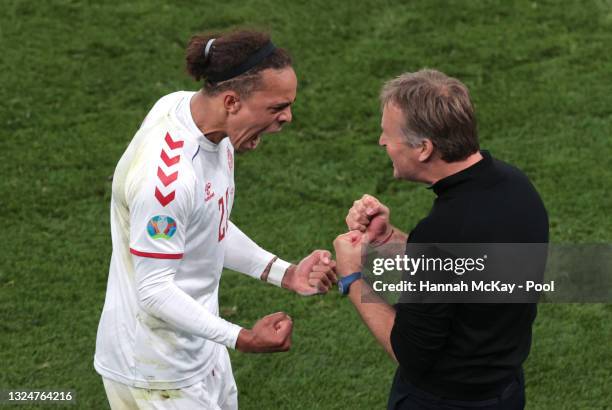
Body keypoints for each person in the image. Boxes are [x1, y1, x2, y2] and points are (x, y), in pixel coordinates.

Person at [94, 30, 336, 409]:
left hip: (199, 347)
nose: (287, 118)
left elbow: (207, 223)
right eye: (276, 107)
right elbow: (154, 290)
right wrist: (243, 337)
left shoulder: (197, 118)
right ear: (232, 101)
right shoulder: (166, 181)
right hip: (155, 373)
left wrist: (283, 273)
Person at [333, 69, 548, 409]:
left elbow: (409, 352)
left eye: (388, 134)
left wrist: (353, 277)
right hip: (506, 392)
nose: (382, 142)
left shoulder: (445, 229)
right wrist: (389, 239)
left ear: (423, 148)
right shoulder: (517, 186)